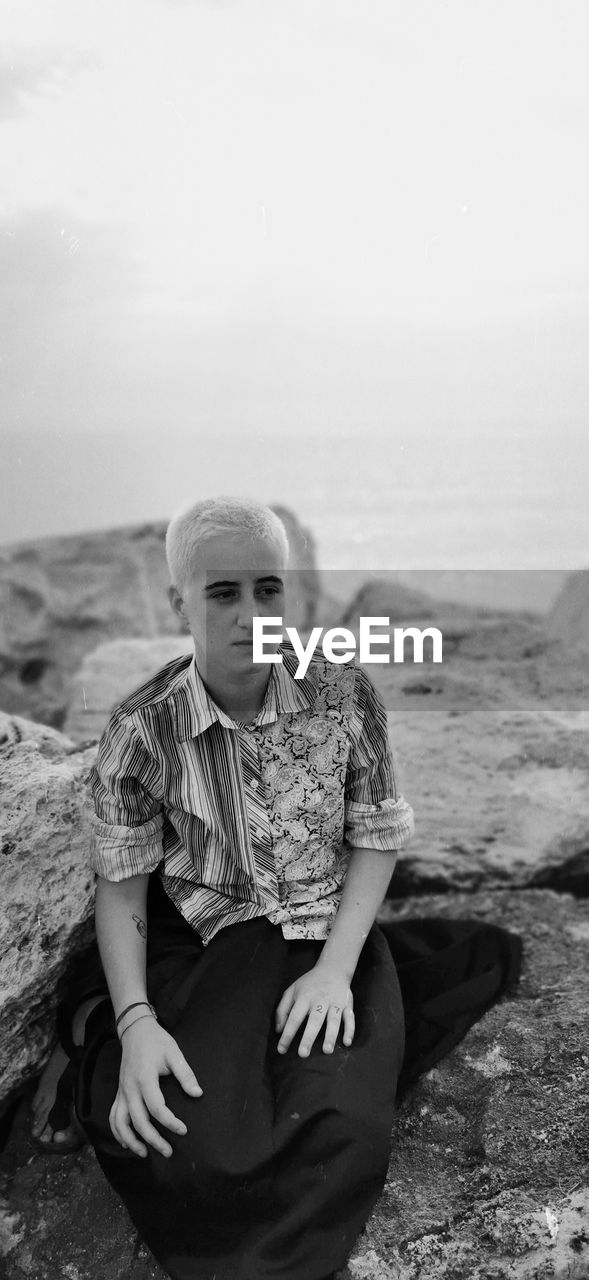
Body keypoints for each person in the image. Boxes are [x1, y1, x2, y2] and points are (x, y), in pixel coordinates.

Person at [33, 495, 415, 1280]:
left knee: (337, 1127)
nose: (251, 614)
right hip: (213, 937)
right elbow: (122, 884)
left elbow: (374, 838)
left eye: (267, 588)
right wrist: (138, 1024)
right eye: (221, 593)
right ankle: (92, 1038)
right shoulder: (142, 729)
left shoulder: (343, 693)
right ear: (180, 603)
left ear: (292, 591)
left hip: (323, 933)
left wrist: (336, 974)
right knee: (182, 1137)